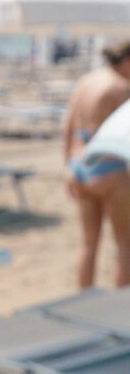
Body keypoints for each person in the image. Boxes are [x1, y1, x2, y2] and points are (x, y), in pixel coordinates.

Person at [64, 40, 130, 289]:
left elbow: (68, 128)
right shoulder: (122, 87)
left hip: (79, 166)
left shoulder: (86, 82)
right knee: (125, 245)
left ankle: (84, 298)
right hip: (109, 168)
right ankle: (122, 308)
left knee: (88, 244)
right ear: (127, 61)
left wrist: (68, 168)